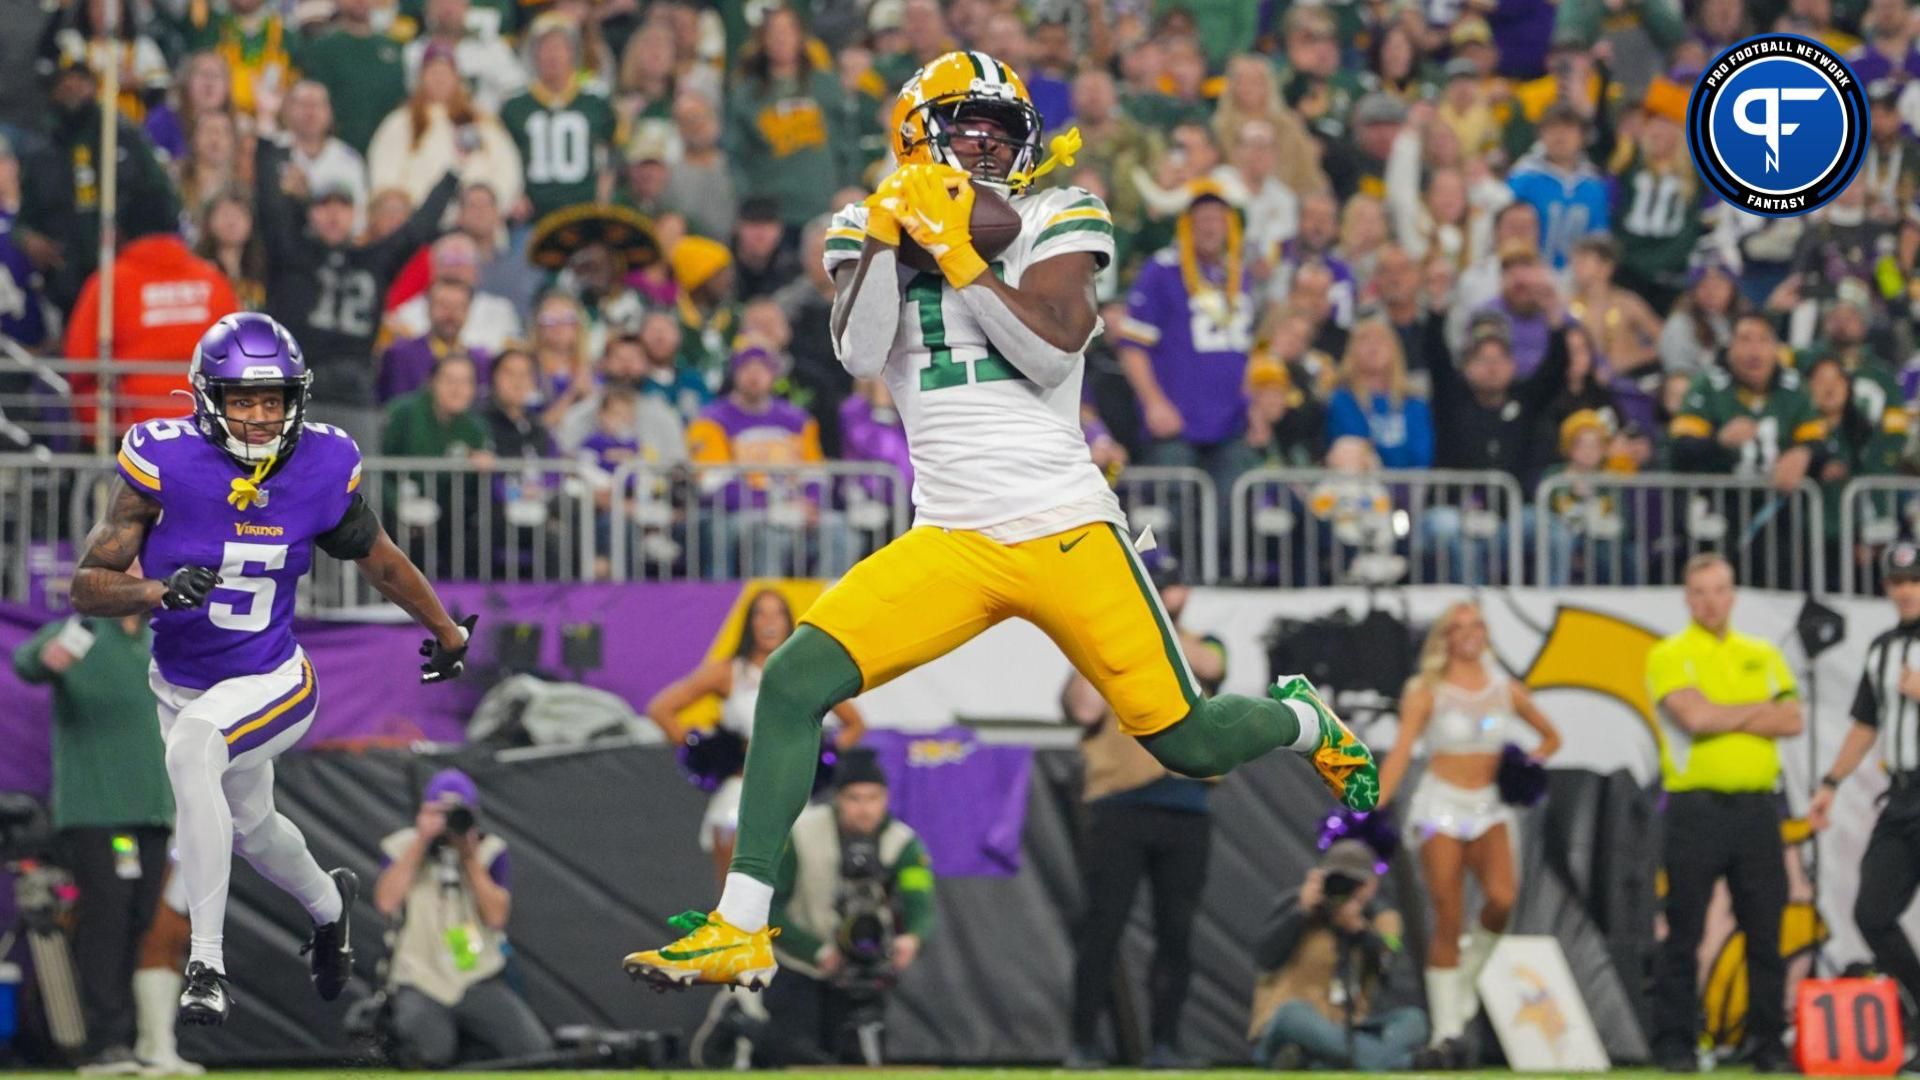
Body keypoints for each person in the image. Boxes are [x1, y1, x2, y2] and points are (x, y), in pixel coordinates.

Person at [623, 48, 1377, 993]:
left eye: (999, 131)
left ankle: (1299, 719)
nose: (984, 144)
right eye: (965, 126)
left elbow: (1055, 351)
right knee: (790, 681)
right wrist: (902, 238)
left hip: (1065, 524)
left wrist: (962, 256)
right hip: (951, 538)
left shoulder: (1059, 211)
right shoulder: (869, 222)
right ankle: (743, 925)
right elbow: (860, 355)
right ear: (916, 133)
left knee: (1187, 742)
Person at [68, 312, 477, 1026]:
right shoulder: (161, 459)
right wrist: (154, 590)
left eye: (272, 400)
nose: (259, 416)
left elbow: (379, 557)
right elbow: (86, 584)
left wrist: (444, 629)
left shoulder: (322, 463)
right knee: (253, 827)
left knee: (197, 747)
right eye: (242, 400)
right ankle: (329, 908)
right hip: (182, 681)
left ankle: (207, 963)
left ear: (296, 400)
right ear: (207, 398)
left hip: (273, 677)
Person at [1375, 601, 1561, 1049]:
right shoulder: (1425, 690)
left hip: (1489, 806)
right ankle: (1447, 1030)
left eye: (1477, 625)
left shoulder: (1504, 688)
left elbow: (1551, 736)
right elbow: (1401, 751)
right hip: (1441, 806)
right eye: (1460, 627)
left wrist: (1523, 769)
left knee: (1502, 898)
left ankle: (1466, 979)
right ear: (1446, 638)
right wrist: (1371, 801)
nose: (1470, 633)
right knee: (1448, 917)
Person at [1645, 553, 1803, 1073]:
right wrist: (1757, 711)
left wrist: (1723, 714)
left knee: (1765, 930)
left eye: (1719, 590)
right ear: (1687, 598)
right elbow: (1694, 718)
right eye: (1700, 591)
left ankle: (1766, 1042)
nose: (1711, 601)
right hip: (1697, 810)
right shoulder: (1669, 654)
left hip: (1758, 810)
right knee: (1683, 928)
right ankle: (1675, 1042)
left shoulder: (1761, 652)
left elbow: (1793, 719)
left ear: (1733, 595)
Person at [1062, 562, 1223, 1070]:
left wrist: (1152, 618)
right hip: (1118, 807)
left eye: (1170, 584)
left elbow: (1212, 667)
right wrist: (1100, 631)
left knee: (1176, 933)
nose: (1165, 591)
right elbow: (1083, 708)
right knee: (1101, 927)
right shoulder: (1107, 638)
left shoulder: (1204, 642)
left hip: (1186, 806)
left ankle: (1165, 1044)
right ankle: (1083, 1042)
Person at [694, 749, 932, 1068]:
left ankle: (746, 1022)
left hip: (859, 964)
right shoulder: (802, 834)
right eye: (854, 798)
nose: (864, 809)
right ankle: (739, 1022)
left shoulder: (902, 843)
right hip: (799, 961)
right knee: (797, 1056)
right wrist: (816, 950)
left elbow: (920, 899)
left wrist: (912, 938)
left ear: (886, 798)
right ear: (838, 798)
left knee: (847, 1061)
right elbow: (767, 906)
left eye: (873, 798)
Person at [11, 611, 173, 1073]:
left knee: (138, 918)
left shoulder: (157, 639)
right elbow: (29, 663)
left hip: (151, 815)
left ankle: (129, 1040)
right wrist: (49, 657)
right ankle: (103, 1044)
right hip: (105, 816)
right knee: (109, 919)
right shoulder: (83, 629)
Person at [253, 132, 462, 448]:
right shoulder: (292, 252)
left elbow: (417, 229)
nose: (334, 215)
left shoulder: (373, 259)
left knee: (359, 490)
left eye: (343, 206)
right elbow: (270, 205)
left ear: (355, 214)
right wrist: (267, 141)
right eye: (324, 205)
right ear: (311, 212)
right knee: (287, 487)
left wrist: (453, 173)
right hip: (295, 393)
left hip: (354, 395)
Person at [647, 589, 866, 883]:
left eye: (777, 613)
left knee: (799, 887)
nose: (769, 621)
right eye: (760, 613)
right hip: (741, 791)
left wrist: (819, 753)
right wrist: (702, 751)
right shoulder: (729, 672)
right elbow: (661, 709)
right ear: (749, 623)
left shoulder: (805, 673)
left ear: (789, 622)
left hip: (792, 792)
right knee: (735, 888)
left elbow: (855, 724)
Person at [1809, 543, 1920, 1074]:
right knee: (1872, 913)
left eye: (1915, 580)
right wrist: (1831, 780)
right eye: (1897, 581)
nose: (1905, 590)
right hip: (1901, 797)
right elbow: (1865, 724)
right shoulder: (1881, 649)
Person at [372, 769, 551, 1068]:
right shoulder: (402, 846)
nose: (448, 821)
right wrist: (421, 842)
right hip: (418, 975)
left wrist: (469, 858)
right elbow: (386, 902)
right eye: (440, 812)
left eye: (457, 813)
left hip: (475, 974)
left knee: (534, 1049)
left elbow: (496, 917)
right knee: (428, 1054)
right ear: (425, 811)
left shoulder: (490, 850)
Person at [1118, 181, 1259, 519]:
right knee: (1178, 521)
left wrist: (1255, 405)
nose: (1210, 227)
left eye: (1217, 218)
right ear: (1187, 224)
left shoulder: (1240, 274)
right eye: (1202, 218)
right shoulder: (1161, 270)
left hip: (1232, 422)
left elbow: (1252, 348)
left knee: (1233, 517)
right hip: (1177, 422)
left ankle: (1231, 575)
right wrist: (1154, 403)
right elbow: (1133, 345)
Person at [1249, 840, 1426, 1071]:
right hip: (1292, 1025)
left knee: (1414, 1020)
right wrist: (1301, 913)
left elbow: (1386, 967)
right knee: (1291, 1014)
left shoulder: (1381, 920)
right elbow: (1264, 960)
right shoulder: (1296, 905)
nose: (1346, 890)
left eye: (1355, 882)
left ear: (1371, 885)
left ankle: (1317, 1062)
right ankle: (1400, 1062)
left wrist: (1358, 931)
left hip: (1345, 1029)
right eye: (1339, 880)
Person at [63, 231, 242, 435]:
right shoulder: (213, 281)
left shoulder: (109, 283)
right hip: (207, 426)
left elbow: (80, 361)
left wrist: (93, 422)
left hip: (130, 430)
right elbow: (238, 354)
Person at [724, 6, 854, 229]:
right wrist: (751, 205)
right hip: (772, 218)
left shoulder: (826, 85)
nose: (781, 39)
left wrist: (849, 187)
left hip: (825, 209)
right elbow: (735, 156)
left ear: (800, 36)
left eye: (787, 31)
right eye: (774, 32)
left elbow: (848, 143)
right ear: (762, 40)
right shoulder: (745, 95)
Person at [367, 43, 524, 215]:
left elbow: (507, 169)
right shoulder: (400, 122)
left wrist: (494, 207)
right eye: (433, 72)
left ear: (457, 78)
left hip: (473, 219)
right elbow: (384, 176)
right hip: (417, 221)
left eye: (445, 72)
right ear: (421, 78)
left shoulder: (481, 122)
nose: (439, 79)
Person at [499, 14, 620, 223]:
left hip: (586, 214)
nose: (552, 55)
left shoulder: (595, 100)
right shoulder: (514, 106)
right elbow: (502, 157)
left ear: (573, 53)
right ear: (533, 54)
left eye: (559, 47)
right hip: (531, 218)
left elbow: (614, 150)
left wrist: (605, 191)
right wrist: (513, 193)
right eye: (544, 47)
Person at [291, 0, 409, 157]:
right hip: (334, 158)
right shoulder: (320, 49)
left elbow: (401, 107)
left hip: (386, 156)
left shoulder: (393, 49)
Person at [387, 231, 525, 356]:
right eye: (448, 259)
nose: (456, 267)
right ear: (433, 268)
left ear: (477, 270)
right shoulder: (408, 313)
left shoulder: (501, 311)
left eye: (463, 260)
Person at [379, 279, 486, 403]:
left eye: (459, 306)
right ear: (428, 307)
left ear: (468, 311)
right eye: (443, 305)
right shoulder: (400, 356)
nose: (451, 314)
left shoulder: (480, 361)